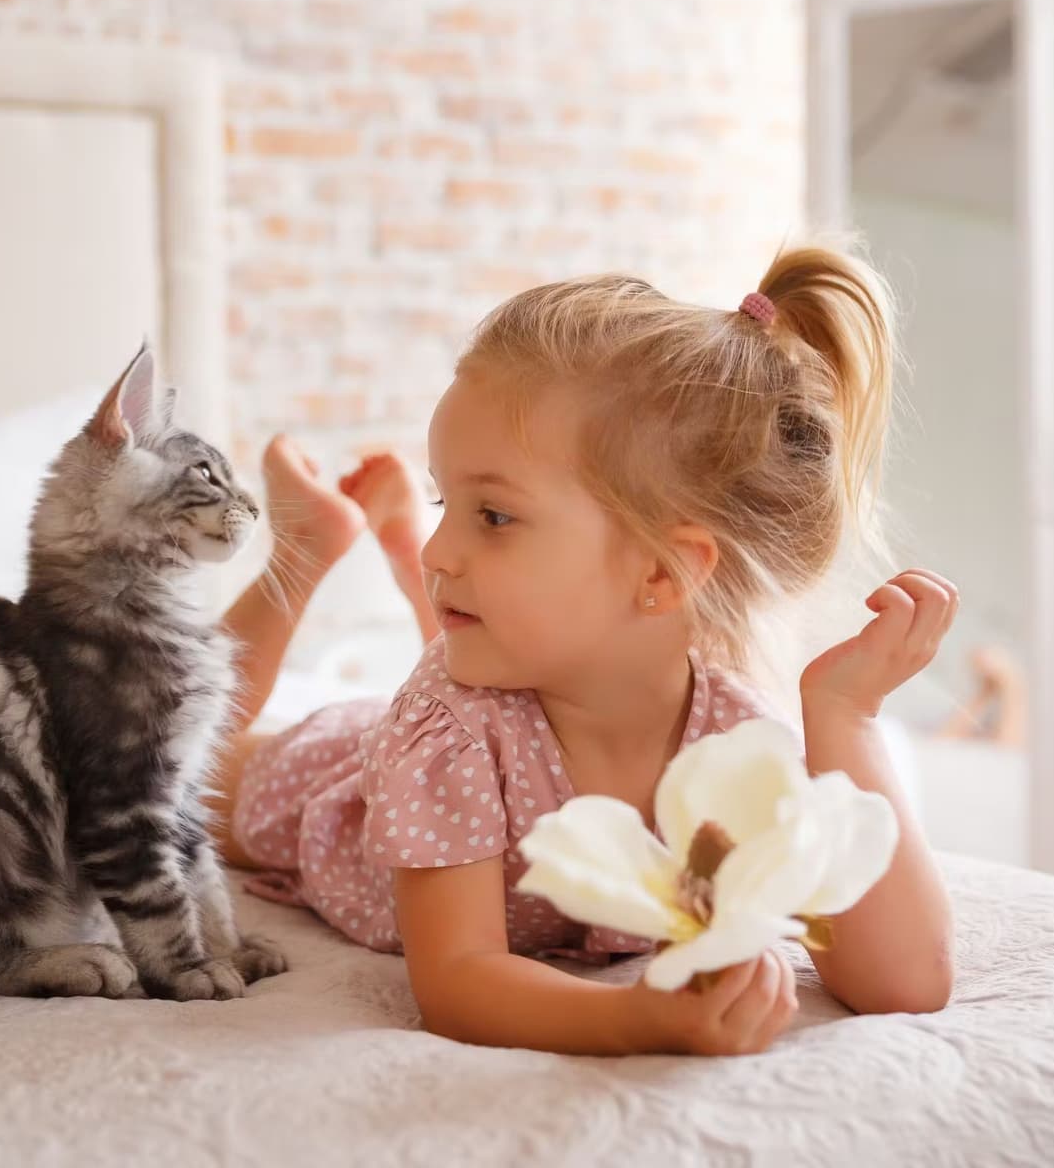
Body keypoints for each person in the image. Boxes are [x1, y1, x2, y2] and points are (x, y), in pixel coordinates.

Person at [207, 249, 955, 1056]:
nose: (441, 551)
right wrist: (635, 1019)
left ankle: (378, 534)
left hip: (490, 686)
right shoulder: (447, 730)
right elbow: (459, 978)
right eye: (442, 503)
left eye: (492, 514)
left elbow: (907, 981)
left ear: (661, 575)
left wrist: (844, 714)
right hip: (341, 778)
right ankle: (308, 550)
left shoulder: (735, 737)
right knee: (159, 759)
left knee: (484, 640)